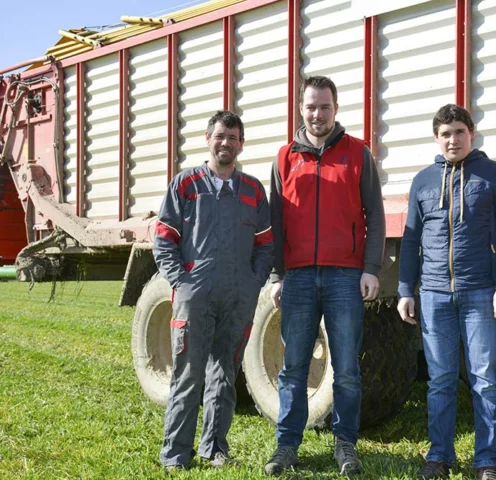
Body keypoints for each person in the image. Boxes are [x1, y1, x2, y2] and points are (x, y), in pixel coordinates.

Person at [263, 75, 385, 476]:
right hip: (297, 278)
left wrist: (370, 269)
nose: (318, 114)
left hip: (345, 278)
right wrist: (277, 275)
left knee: (346, 369)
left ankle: (345, 444)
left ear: (336, 108)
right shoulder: (284, 158)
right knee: (293, 368)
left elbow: (375, 215)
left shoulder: (357, 153)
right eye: (311, 107)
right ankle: (286, 446)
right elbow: (275, 222)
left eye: (325, 107)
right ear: (301, 109)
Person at [397, 104, 496, 480]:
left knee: (484, 380)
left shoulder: (494, 175)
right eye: (446, 134)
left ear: (472, 134)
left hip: (481, 292)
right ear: (436, 139)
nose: (453, 139)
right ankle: (439, 456)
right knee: (440, 380)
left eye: (459, 132)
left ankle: (487, 461)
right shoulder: (422, 181)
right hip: (434, 295)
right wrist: (405, 290)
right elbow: (411, 239)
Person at [153, 110, 273, 470]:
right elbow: (164, 239)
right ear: (208, 139)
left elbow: (265, 244)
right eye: (220, 136)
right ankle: (176, 454)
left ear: (241, 144)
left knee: (225, 375)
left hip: (238, 297)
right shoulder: (186, 184)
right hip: (196, 296)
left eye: (233, 138)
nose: (226, 143)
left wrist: (253, 282)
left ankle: (214, 447)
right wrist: (181, 282)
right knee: (188, 374)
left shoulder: (252, 190)